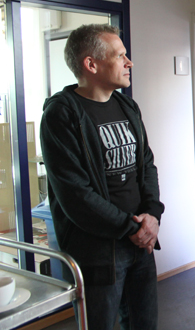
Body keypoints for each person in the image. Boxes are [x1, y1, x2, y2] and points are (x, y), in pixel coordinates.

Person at [40, 24, 164, 330]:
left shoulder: (127, 105)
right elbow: (75, 194)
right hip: (98, 251)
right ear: (91, 64)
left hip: (142, 241)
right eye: (120, 55)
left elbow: (146, 165)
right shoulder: (61, 114)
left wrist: (152, 215)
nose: (129, 62)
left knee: (145, 323)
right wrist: (130, 228)